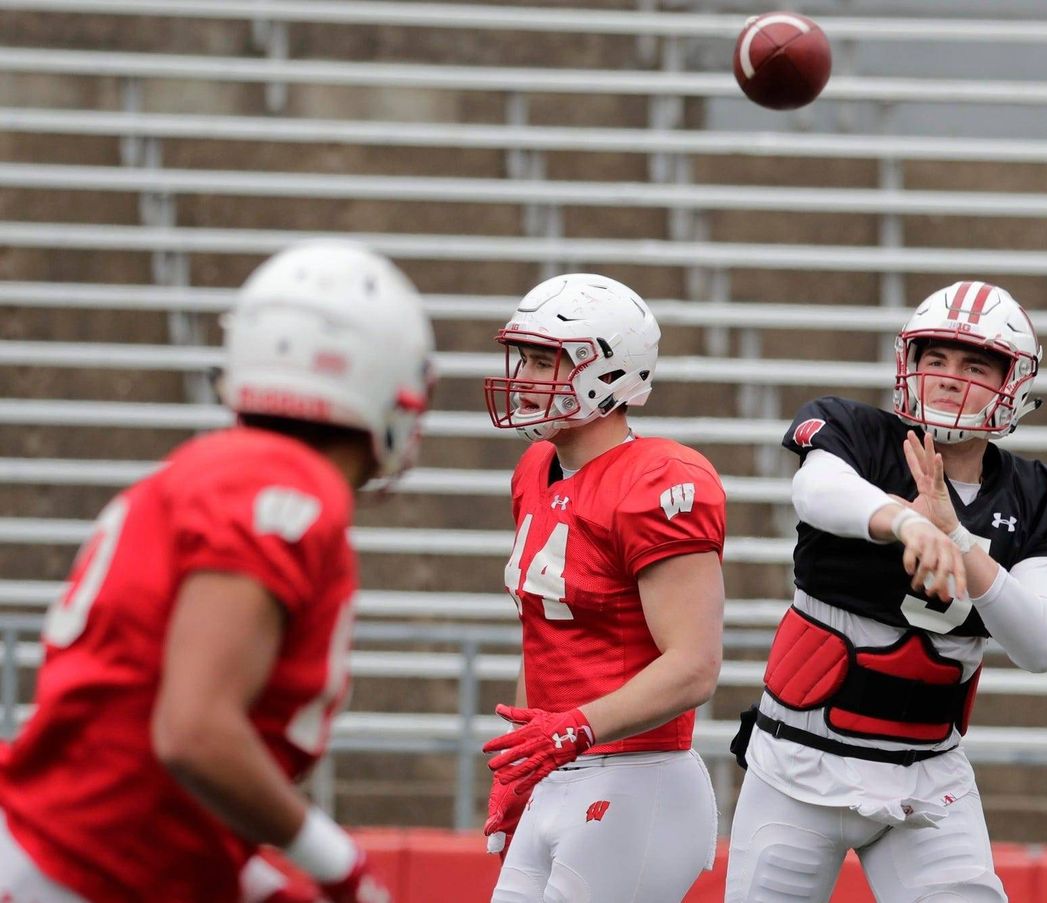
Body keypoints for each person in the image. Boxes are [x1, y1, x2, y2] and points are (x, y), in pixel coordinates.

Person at [0, 240, 435, 903]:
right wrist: (338, 863)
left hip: (88, 859)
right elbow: (195, 731)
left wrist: (248, 878)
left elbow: (141, 747)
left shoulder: (215, 468)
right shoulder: (279, 485)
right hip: (78, 871)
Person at [725, 281, 1047, 903]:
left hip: (928, 776)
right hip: (797, 763)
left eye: (975, 365)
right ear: (909, 365)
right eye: (936, 359)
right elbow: (817, 491)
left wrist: (959, 539)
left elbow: (1042, 645)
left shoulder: (1042, 498)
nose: (950, 378)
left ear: (1014, 385)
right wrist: (909, 522)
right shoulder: (859, 434)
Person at [480, 273, 727, 902]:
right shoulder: (536, 467)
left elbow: (694, 666)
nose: (526, 377)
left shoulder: (661, 479)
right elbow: (543, 632)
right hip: (561, 769)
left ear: (607, 372)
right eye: (526, 358)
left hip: (636, 777)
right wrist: (523, 753)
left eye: (545, 361)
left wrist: (570, 729)